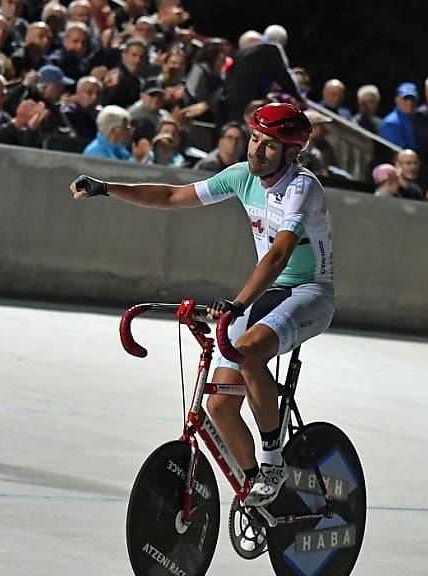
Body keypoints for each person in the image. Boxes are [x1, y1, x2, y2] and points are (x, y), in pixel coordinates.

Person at [71, 103, 333, 507]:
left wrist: (238, 303)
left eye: (269, 146)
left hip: (308, 292)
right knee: (220, 406)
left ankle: (272, 462)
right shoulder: (243, 177)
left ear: (291, 153)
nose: (257, 151)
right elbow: (174, 196)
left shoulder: (302, 188)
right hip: (266, 294)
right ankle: (258, 492)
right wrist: (108, 188)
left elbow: (279, 256)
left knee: (246, 352)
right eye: (255, 140)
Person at [379, 82, 417, 149]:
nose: (409, 102)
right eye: (405, 98)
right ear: (397, 99)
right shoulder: (390, 123)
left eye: (412, 98)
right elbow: (395, 151)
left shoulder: (419, 118)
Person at [62, 75, 101, 139]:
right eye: (89, 93)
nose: (95, 97)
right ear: (78, 94)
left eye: (98, 94)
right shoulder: (69, 113)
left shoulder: (101, 115)